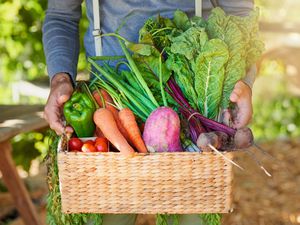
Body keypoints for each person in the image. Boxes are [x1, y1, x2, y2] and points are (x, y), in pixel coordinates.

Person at [43, 0, 256, 224]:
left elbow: (239, 12)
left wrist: (244, 82)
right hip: (110, 108)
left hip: (195, 108)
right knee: (108, 218)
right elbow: (61, 15)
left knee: (193, 217)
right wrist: (59, 79)